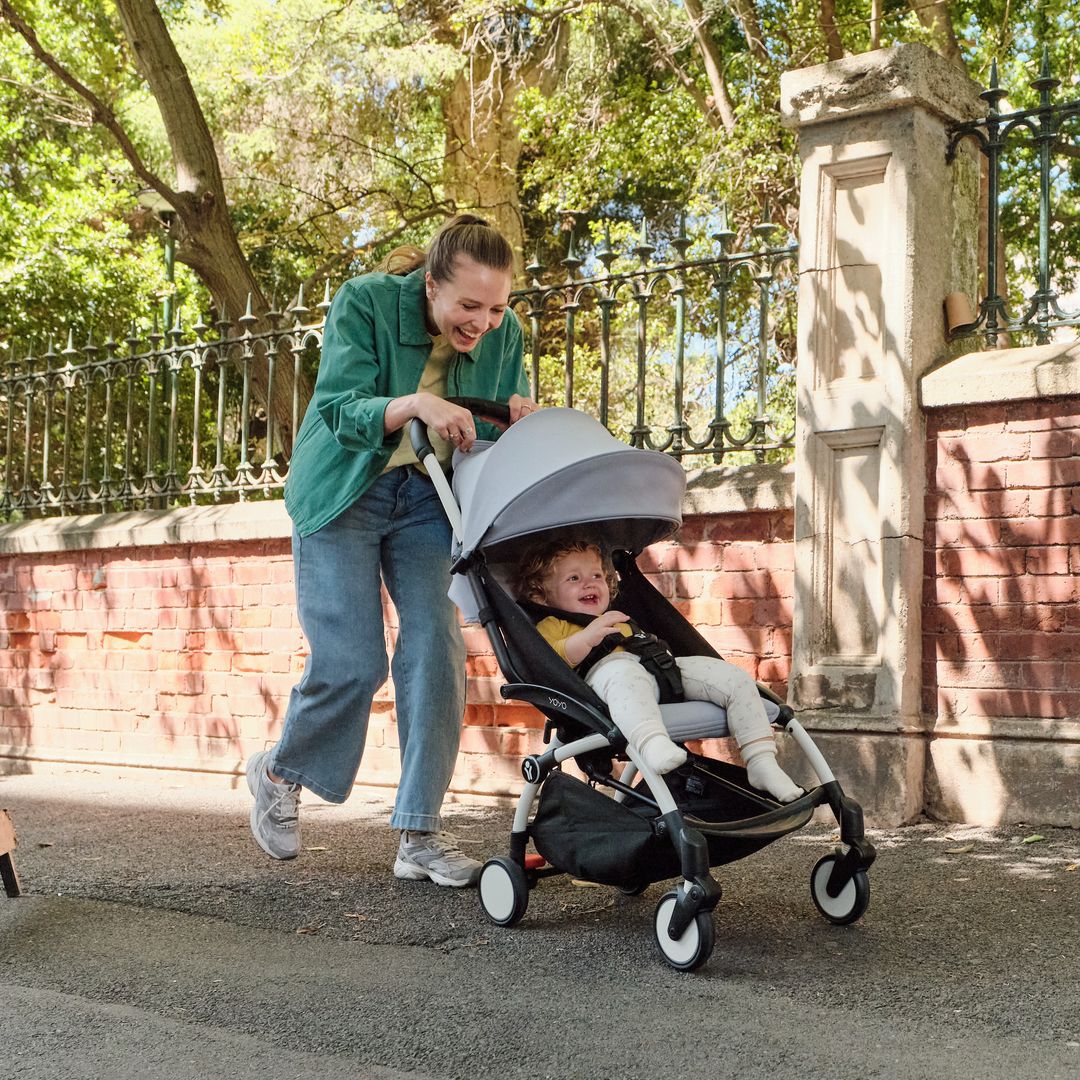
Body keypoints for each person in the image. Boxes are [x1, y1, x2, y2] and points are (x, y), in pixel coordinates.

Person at [246, 213, 538, 887]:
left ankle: (420, 835)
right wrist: (412, 405)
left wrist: (515, 415)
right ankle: (280, 770)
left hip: (428, 496)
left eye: (496, 308)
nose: (483, 323)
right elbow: (339, 410)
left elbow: (482, 433)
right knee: (352, 659)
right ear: (430, 284)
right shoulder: (366, 301)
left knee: (436, 649)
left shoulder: (507, 334)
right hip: (346, 487)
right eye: (468, 305)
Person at [514, 538, 802, 802]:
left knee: (732, 677)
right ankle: (652, 745)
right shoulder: (553, 623)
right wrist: (587, 638)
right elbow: (551, 661)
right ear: (542, 595)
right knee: (623, 673)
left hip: (662, 670)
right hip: (612, 681)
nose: (589, 583)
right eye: (574, 578)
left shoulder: (617, 615)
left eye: (596, 576)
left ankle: (761, 760)